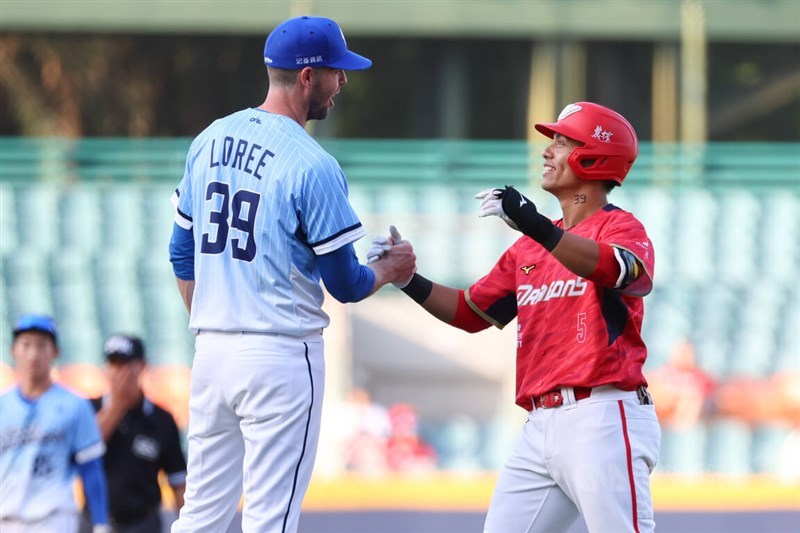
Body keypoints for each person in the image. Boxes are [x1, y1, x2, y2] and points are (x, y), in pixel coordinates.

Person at [167, 15, 416, 533]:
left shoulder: (209, 139)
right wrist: (390, 269)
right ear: (307, 77)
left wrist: (219, 326)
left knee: (200, 519)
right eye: (336, 71)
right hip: (280, 354)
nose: (343, 81)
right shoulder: (312, 163)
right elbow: (346, 285)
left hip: (211, 351)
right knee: (271, 522)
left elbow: (181, 255)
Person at [370, 102, 661, 532]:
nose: (548, 151)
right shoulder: (530, 248)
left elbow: (629, 273)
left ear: (595, 155)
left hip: (602, 413)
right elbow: (471, 312)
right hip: (539, 423)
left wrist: (536, 225)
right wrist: (407, 278)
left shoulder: (619, 227)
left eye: (562, 141)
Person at [0, 314, 111, 532]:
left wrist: (100, 522)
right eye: (26, 344)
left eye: (42, 345)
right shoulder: (2, 405)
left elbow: (91, 468)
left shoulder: (75, 404)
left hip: (54, 518)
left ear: (55, 352)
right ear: (14, 350)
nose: (34, 353)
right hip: (7, 519)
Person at [78, 334, 187, 533]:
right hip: (95, 521)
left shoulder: (161, 419)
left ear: (142, 366)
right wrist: (118, 405)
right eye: (113, 364)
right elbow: (87, 449)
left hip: (142, 523)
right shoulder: (89, 409)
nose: (119, 372)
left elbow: (178, 481)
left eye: (126, 364)